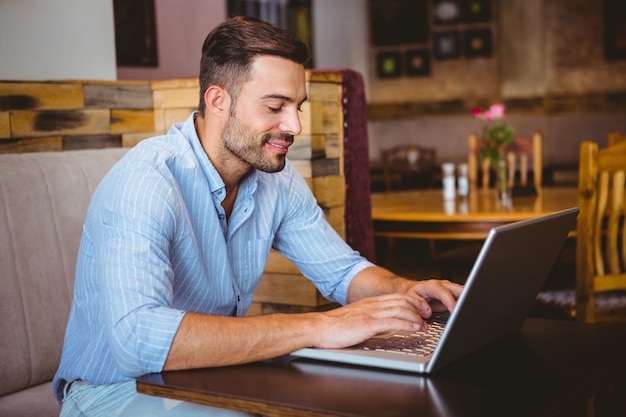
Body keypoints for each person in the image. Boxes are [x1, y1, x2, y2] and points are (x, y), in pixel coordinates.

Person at [53, 16, 463, 416]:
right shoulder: (146, 183)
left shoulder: (275, 181)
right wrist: (320, 327)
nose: (295, 125)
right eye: (275, 106)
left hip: (210, 379)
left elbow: (341, 273)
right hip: (109, 393)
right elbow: (137, 341)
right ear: (218, 101)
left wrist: (407, 290)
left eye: (297, 106)